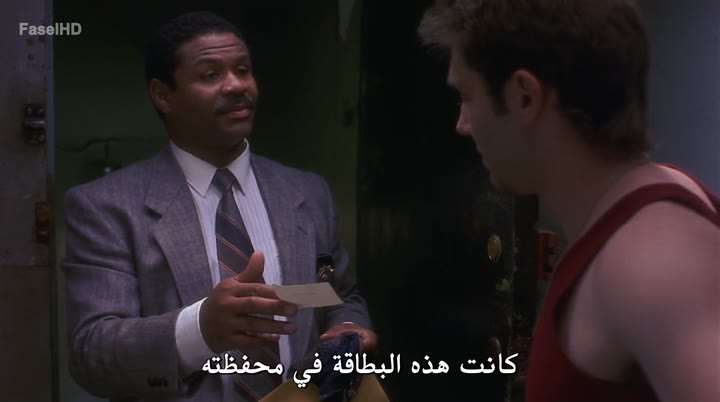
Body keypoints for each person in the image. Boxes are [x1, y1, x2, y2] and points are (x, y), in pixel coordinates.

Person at [61, 11, 376, 402]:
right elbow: (92, 352)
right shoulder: (106, 207)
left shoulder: (307, 194)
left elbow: (334, 294)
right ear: (163, 95)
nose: (236, 85)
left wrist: (348, 327)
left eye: (242, 70)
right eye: (210, 75)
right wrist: (200, 330)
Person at [417, 1, 719, 401]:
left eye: (467, 95)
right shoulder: (631, 221)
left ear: (524, 97)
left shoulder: (654, 256)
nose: (462, 123)